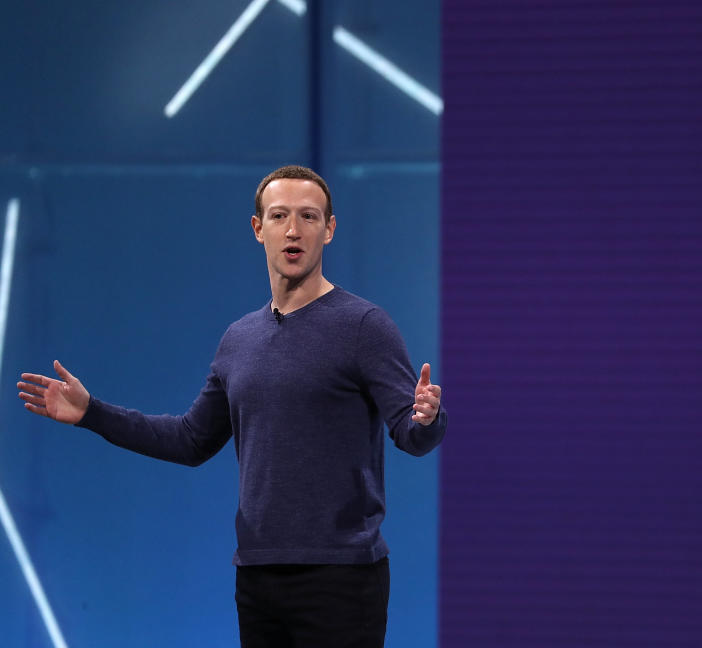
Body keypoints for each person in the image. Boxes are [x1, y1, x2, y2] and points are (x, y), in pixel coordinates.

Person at [16, 165, 446, 648]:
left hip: (343, 578)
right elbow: (190, 439)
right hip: (258, 577)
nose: (293, 229)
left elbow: (411, 434)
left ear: (329, 229)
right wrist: (92, 413)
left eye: (308, 216)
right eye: (279, 215)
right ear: (258, 228)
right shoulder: (239, 340)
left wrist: (427, 418)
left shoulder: (364, 326)